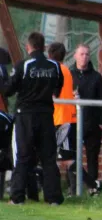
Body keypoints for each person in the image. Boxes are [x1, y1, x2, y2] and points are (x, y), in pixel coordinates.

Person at [1, 32, 64, 205]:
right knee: (48, 158)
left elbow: (8, 90)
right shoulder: (54, 66)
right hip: (46, 117)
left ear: (28, 47)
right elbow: (58, 88)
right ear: (43, 47)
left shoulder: (24, 65)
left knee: (21, 156)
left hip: (25, 116)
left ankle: (17, 197)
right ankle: (54, 198)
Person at [49, 43, 102, 197]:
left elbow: (54, 95)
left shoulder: (58, 71)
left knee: (67, 159)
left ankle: (92, 185)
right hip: (64, 118)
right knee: (64, 158)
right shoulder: (66, 71)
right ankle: (87, 186)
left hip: (63, 119)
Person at [71, 43, 102, 184]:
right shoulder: (69, 75)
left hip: (92, 123)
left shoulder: (96, 77)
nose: (84, 57)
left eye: (87, 54)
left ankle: (93, 186)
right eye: (81, 54)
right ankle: (74, 187)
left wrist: (101, 123)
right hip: (73, 122)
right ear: (75, 56)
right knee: (72, 157)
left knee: (92, 157)